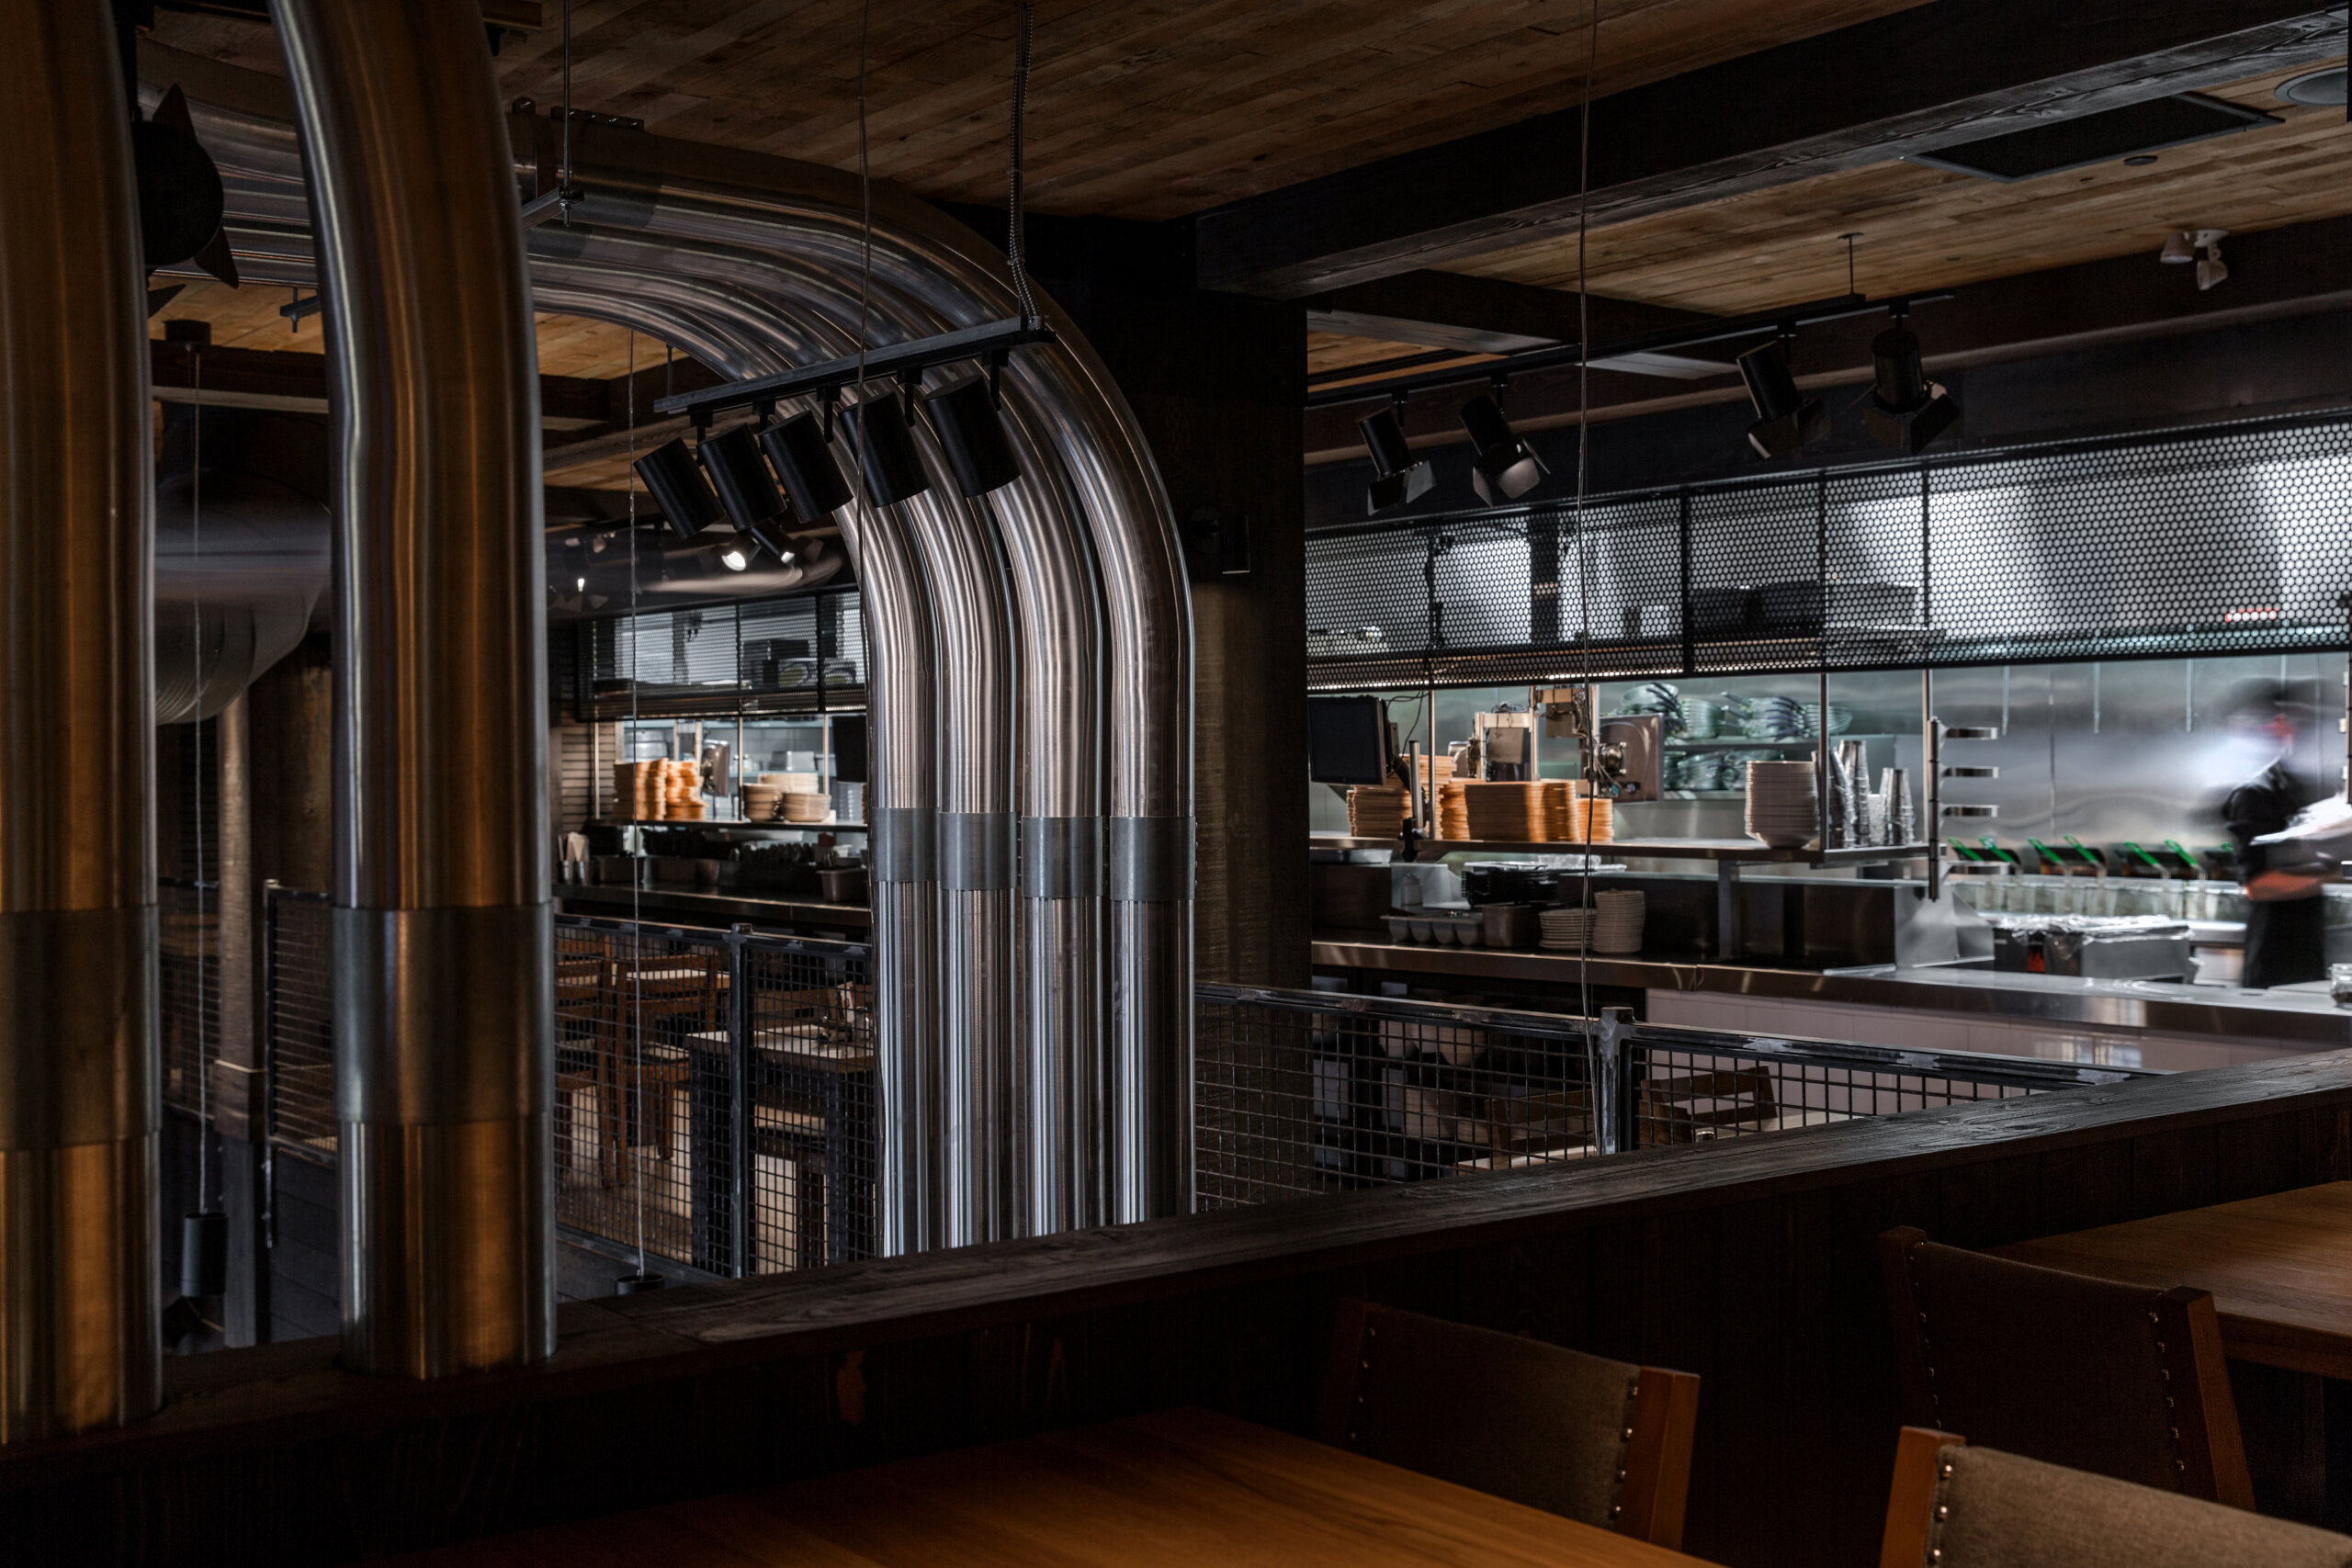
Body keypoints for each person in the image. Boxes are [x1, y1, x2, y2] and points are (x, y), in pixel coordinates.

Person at [2220, 680, 2330, 988]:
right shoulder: (2254, 793)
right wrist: (2334, 875)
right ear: (2280, 726)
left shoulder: (2306, 788)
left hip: (2310, 958)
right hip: (2272, 962)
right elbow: (2258, 885)